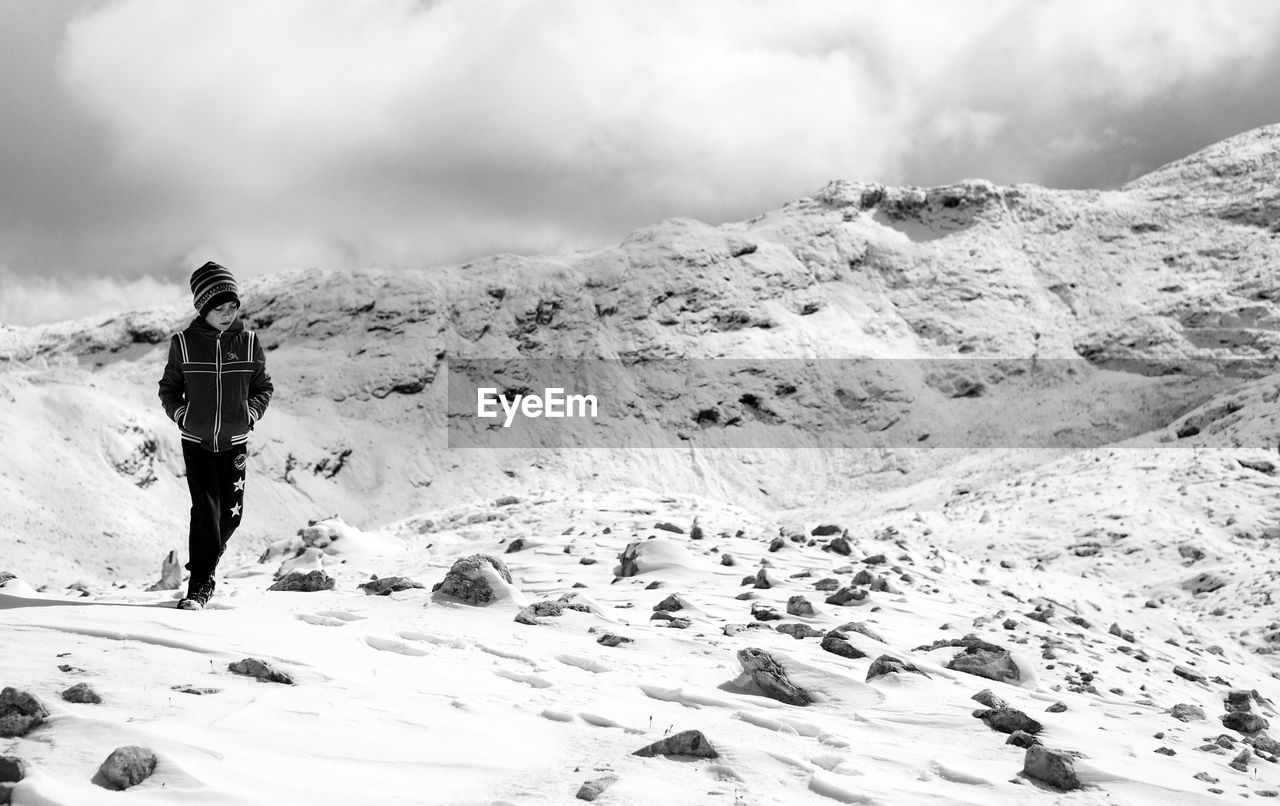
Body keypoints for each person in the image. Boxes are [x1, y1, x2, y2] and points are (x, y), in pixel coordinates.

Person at [158, 262, 274, 610]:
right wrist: (183, 416)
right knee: (206, 513)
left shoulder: (249, 342)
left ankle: (203, 563)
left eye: (232, 307)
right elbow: (169, 389)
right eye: (218, 308)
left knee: (231, 516)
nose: (227, 314)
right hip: (197, 444)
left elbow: (263, 387)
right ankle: (200, 585)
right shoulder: (184, 344)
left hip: (234, 444)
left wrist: (249, 415)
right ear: (203, 309)